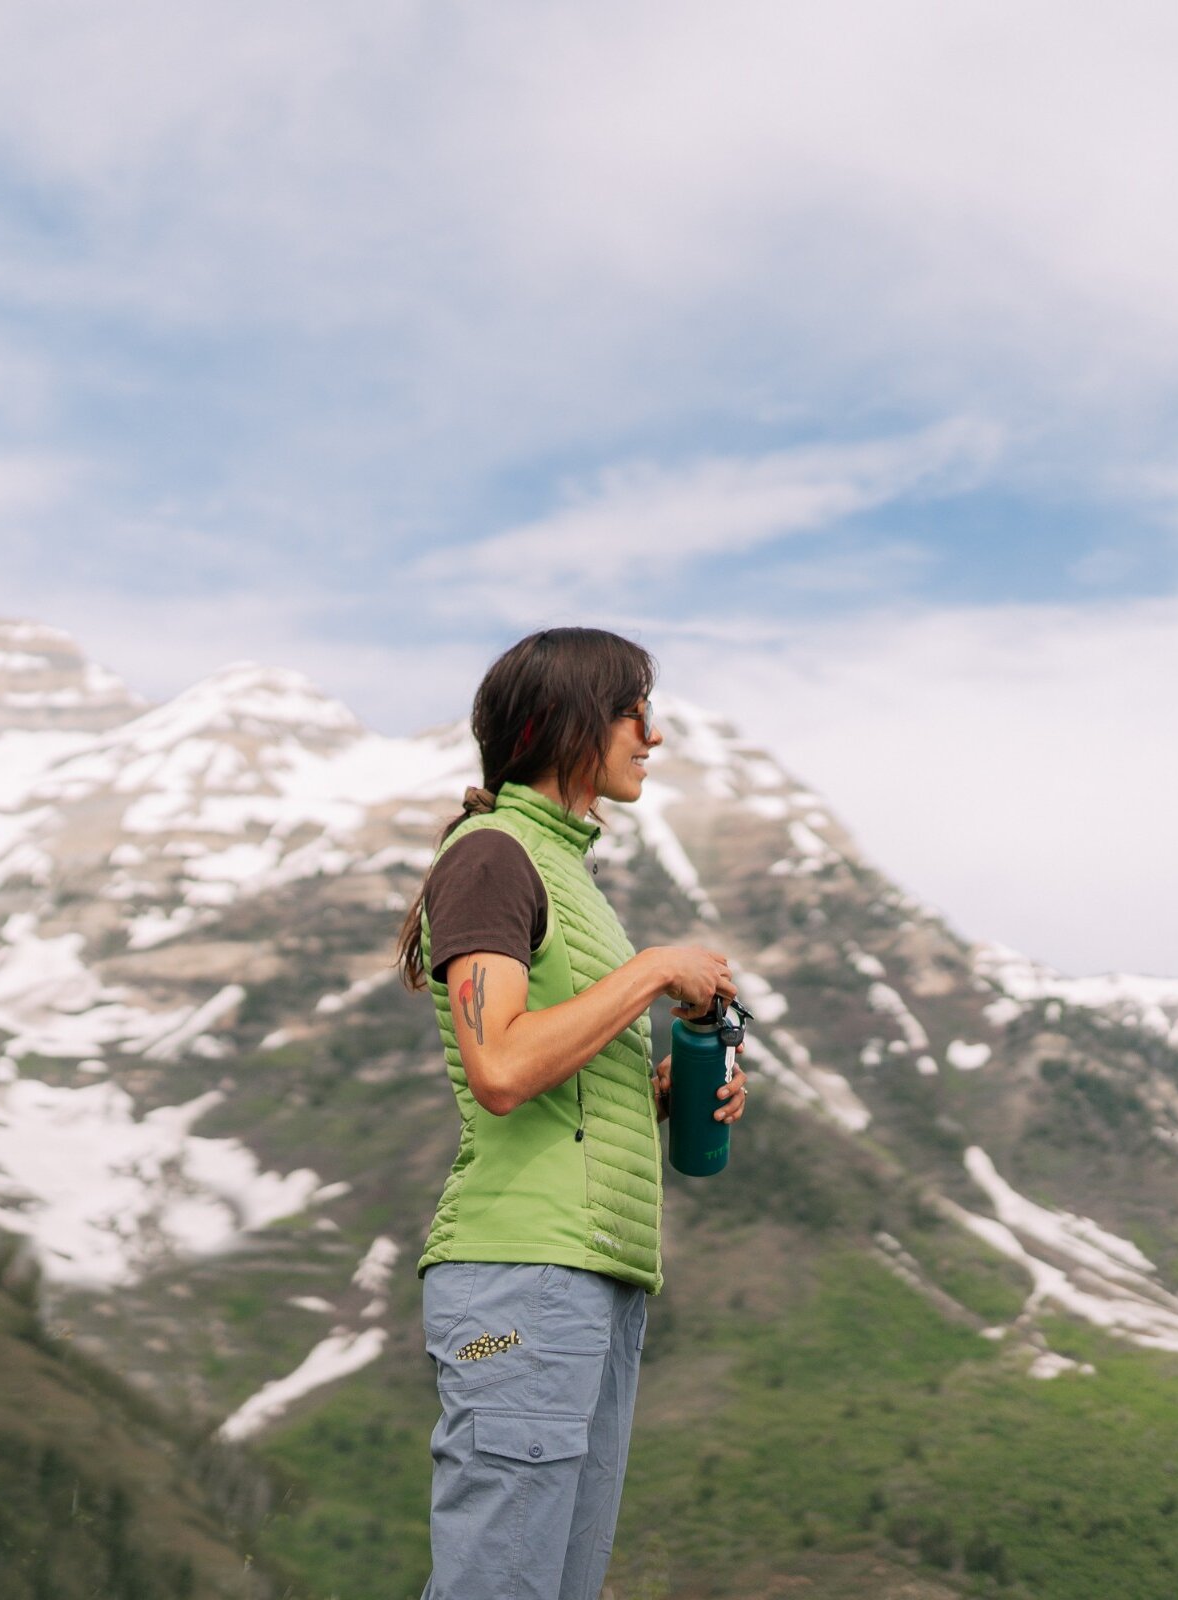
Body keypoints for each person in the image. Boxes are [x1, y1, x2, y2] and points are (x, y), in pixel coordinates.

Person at [397, 626, 748, 1600]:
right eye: (635, 709)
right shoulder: (494, 854)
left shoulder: (564, 872)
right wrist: (648, 973)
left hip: (594, 1269)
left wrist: (668, 1092)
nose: (654, 734)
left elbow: (561, 1084)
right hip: (523, 1271)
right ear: (567, 722)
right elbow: (502, 1065)